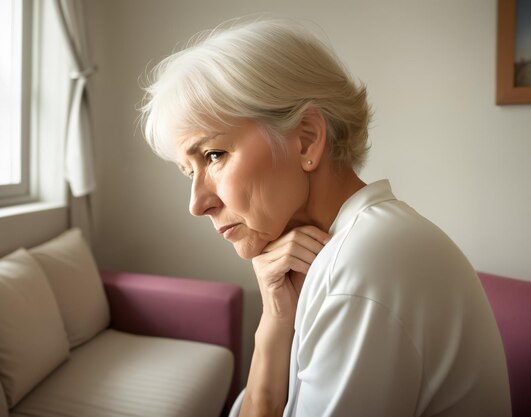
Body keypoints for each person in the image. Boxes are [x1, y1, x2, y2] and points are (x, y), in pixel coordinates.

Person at [140, 18, 511, 417]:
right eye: (189, 171)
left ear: (307, 139)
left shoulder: (360, 268)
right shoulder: (359, 244)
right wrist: (274, 321)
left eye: (213, 155)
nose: (197, 204)